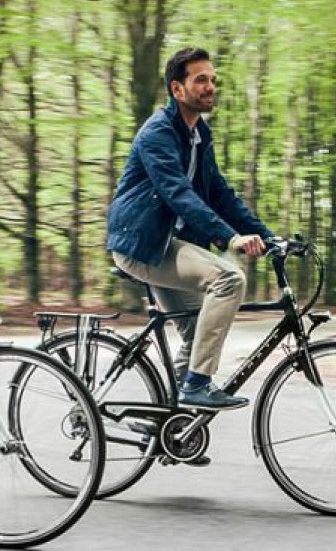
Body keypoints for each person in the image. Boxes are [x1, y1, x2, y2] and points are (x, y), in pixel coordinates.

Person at [107, 47, 273, 411]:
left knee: (198, 331)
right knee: (229, 279)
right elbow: (179, 195)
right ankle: (197, 384)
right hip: (145, 245)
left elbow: (221, 196)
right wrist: (230, 238)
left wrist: (269, 237)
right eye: (201, 80)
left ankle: (168, 422)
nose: (210, 86)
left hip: (170, 244)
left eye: (213, 80)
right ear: (177, 90)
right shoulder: (157, 133)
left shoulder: (199, 135)